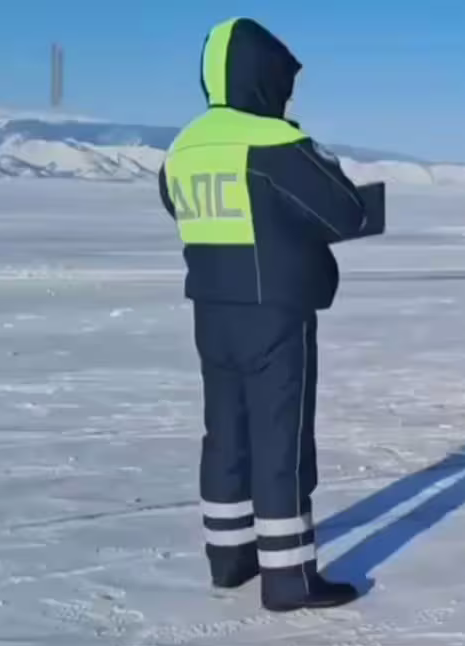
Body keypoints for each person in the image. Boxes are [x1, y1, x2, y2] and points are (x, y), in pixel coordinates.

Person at [157, 17, 383, 612]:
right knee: (281, 437)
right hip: (275, 312)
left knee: (225, 434)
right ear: (263, 76)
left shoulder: (184, 146)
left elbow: (174, 204)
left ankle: (230, 558)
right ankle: (289, 579)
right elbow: (345, 212)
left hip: (212, 310)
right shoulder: (274, 143)